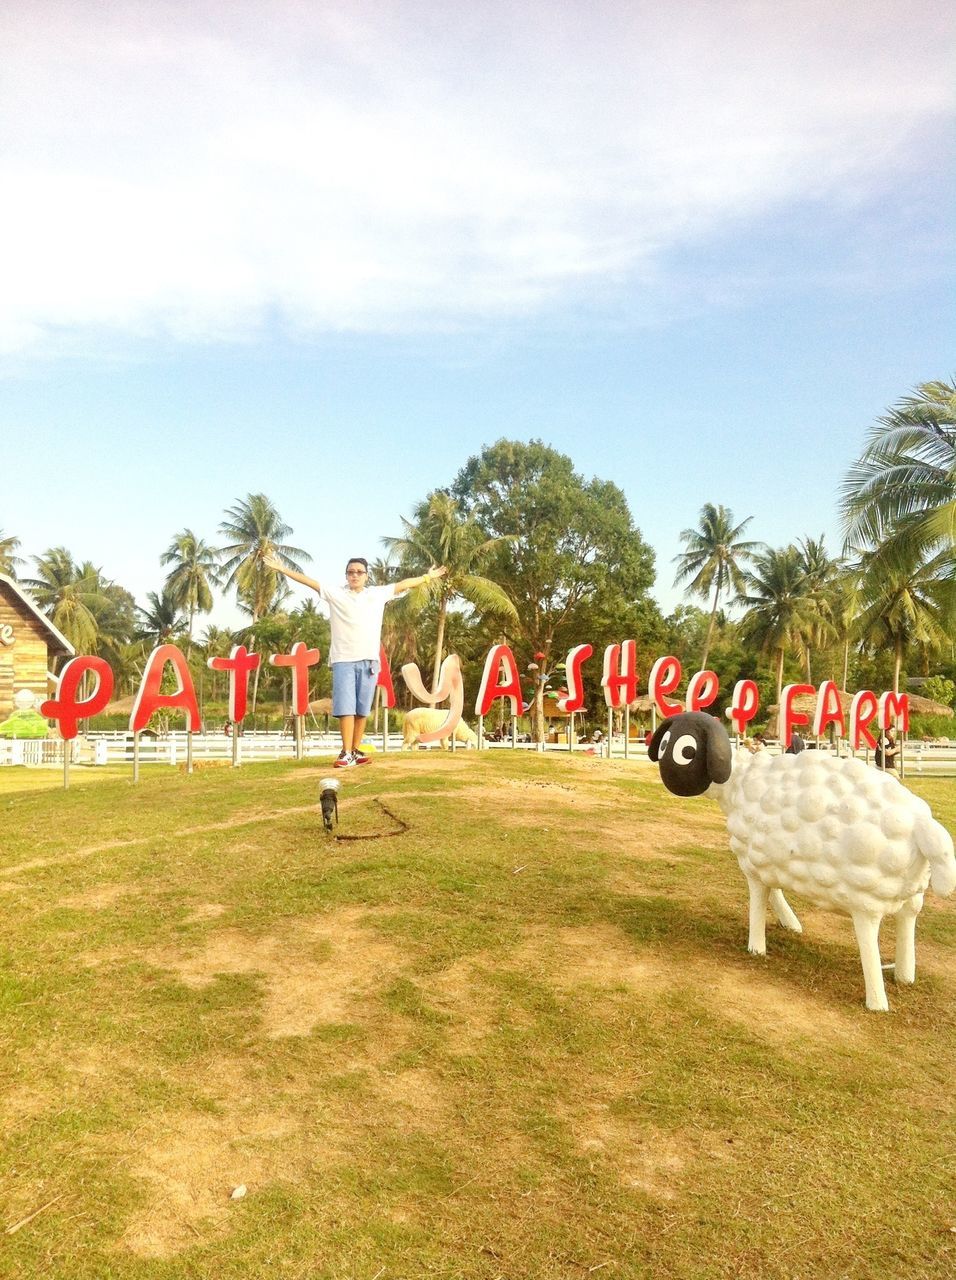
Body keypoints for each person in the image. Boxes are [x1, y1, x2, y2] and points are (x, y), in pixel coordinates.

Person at [264, 553, 446, 767]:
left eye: (359, 572)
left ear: (366, 576)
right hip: (344, 660)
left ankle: (356, 751)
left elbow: (404, 584)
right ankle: (346, 752)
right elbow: (309, 581)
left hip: (369, 661)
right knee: (346, 708)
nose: (355, 575)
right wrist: (282, 568)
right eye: (351, 572)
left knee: (362, 709)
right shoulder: (336, 594)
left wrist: (428, 577)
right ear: (346, 575)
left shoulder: (377, 594)